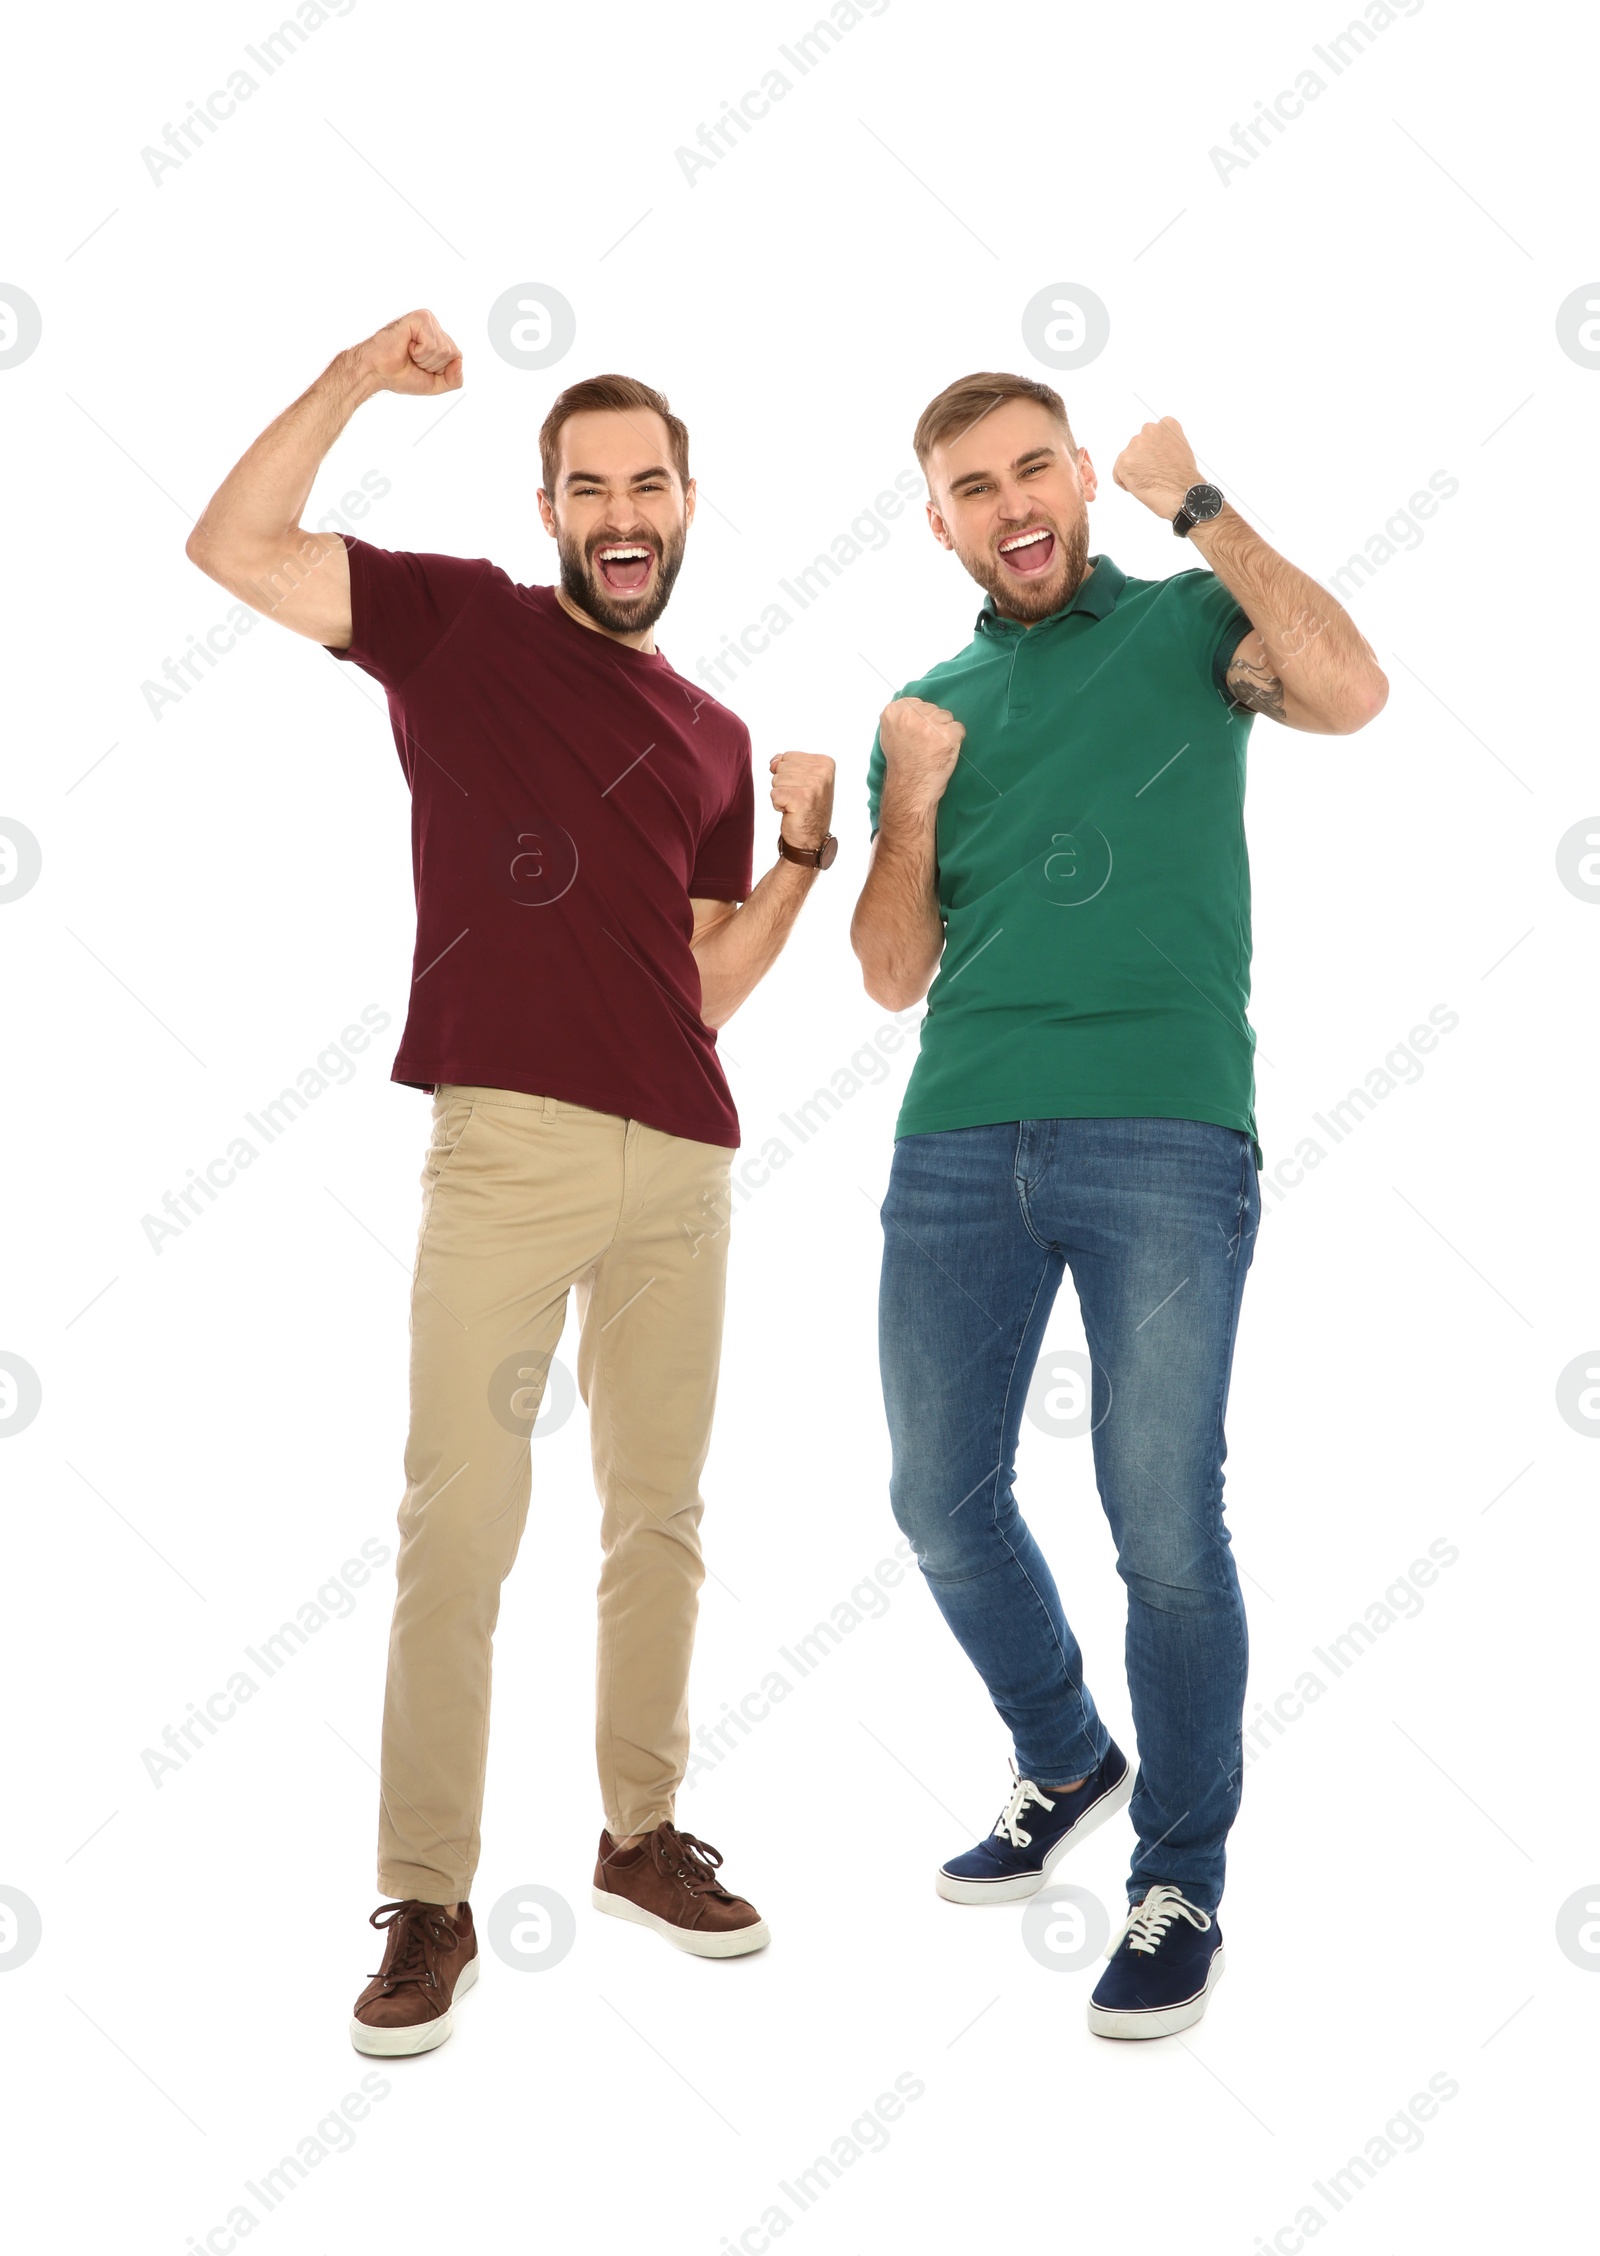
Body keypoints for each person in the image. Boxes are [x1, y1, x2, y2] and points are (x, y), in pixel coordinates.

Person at [185, 310, 838, 2054]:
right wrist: (343, 382)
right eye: (588, 485)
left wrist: (796, 854)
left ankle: (637, 1837)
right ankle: (429, 1899)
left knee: (662, 1522)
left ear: (689, 502)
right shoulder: (460, 620)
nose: (621, 510)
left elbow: (698, 980)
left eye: (650, 483)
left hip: (682, 1157)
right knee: (458, 1528)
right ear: (550, 506)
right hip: (506, 1151)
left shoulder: (711, 725)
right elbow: (233, 546)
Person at [851, 370, 1386, 2038]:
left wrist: (1204, 504)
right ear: (933, 519)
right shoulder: (925, 703)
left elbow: (1353, 693)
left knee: (1163, 1523)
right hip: (956, 1139)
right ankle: (1066, 1752)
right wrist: (910, 794)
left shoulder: (1185, 630)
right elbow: (887, 974)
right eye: (970, 486)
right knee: (938, 1498)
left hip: (1162, 1133)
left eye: (1034, 470)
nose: (1010, 504)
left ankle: (1179, 1876)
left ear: (1080, 479)